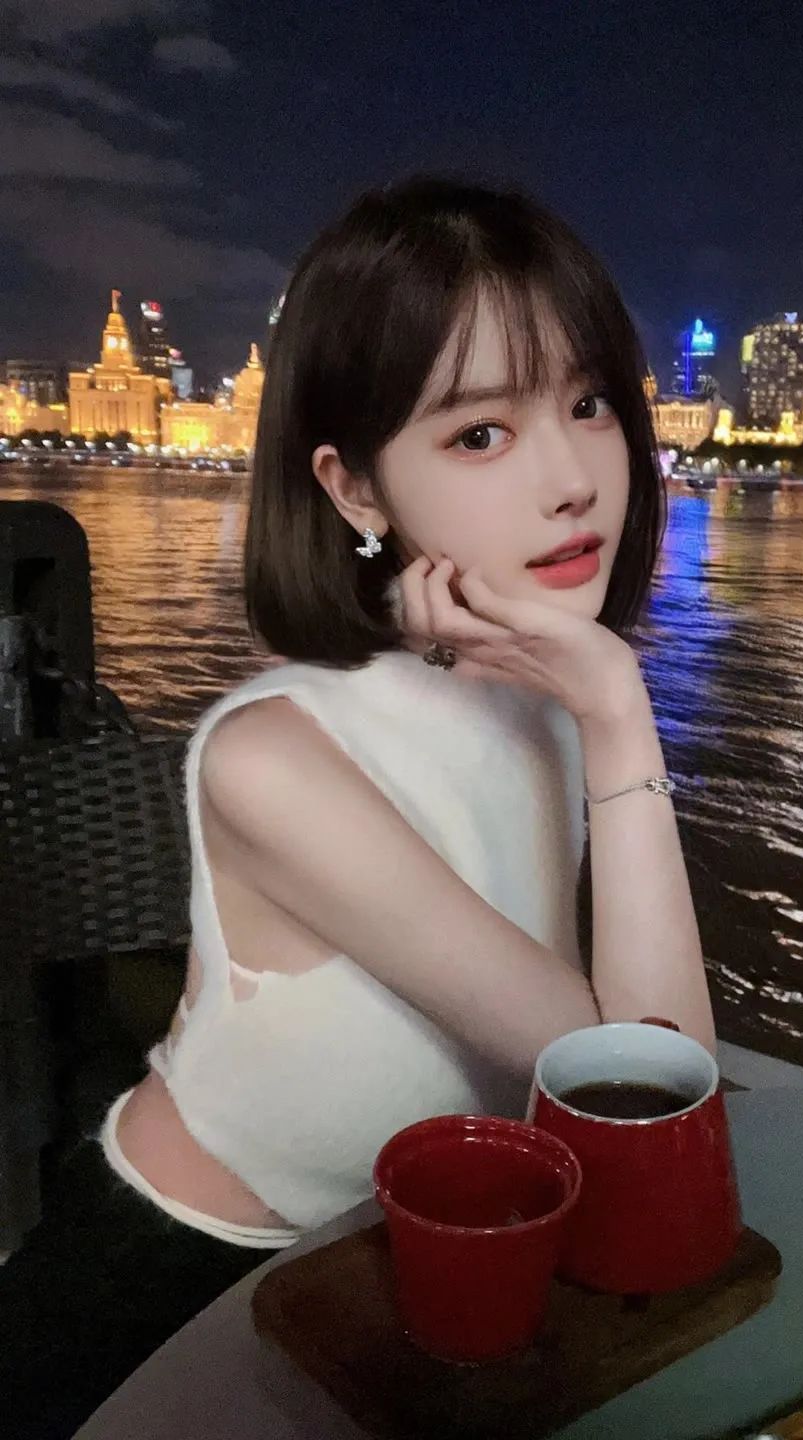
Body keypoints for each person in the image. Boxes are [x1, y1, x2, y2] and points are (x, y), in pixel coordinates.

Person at [0, 175, 714, 1436]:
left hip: (431, 1247)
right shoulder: (275, 757)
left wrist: (604, 707)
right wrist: (618, 708)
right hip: (189, 1280)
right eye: (480, 433)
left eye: (589, 403)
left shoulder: (541, 683)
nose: (573, 480)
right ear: (355, 490)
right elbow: (636, 1093)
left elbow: (645, 1090)